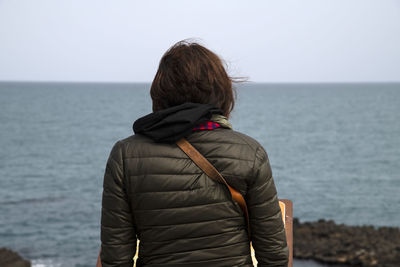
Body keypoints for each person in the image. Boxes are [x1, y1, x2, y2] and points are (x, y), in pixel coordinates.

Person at [99, 40, 289, 267]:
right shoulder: (250, 152)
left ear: (160, 92)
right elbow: (273, 254)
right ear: (221, 92)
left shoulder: (125, 155)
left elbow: (115, 258)